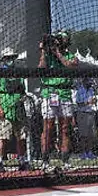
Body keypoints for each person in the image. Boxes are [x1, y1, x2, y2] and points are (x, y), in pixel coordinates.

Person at [39, 32, 77, 164]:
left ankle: (65, 160)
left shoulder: (70, 56)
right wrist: (44, 51)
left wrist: (58, 54)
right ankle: (45, 160)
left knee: (65, 128)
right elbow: (41, 68)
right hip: (50, 93)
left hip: (65, 93)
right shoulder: (47, 56)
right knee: (47, 127)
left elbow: (71, 65)